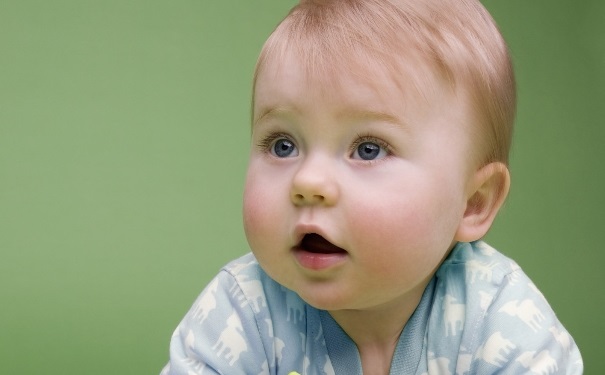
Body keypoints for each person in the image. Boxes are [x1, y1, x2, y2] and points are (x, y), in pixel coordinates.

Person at [161, 0, 583, 373]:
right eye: (283, 144)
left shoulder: (497, 316)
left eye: (368, 150)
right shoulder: (244, 311)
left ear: (472, 202)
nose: (307, 182)